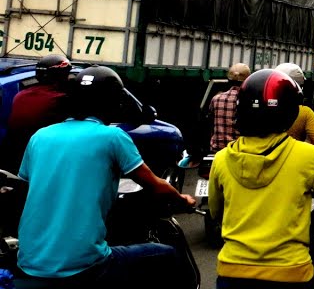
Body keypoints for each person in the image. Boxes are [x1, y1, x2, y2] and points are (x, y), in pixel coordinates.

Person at [16, 66, 194, 287]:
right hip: (84, 266)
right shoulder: (112, 137)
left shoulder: (40, 136)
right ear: (112, 103)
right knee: (167, 255)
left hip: (28, 262)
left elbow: (23, 188)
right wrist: (183, 200)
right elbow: (156, 186)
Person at [209, 69, 314, 288]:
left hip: (231, 274)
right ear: (290, 112)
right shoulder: (308, 156)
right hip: (291, 274)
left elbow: (217, 212)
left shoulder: (221, 159)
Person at [1, 54, 72, 171]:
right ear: (63, 75)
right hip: (41, 162)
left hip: (13, 159)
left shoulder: (20, 95)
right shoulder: (61, 100)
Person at [209, 63, 251, 153]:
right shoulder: (251, 100)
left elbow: (211, 123)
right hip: (241, 151)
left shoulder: (216, 99)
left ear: (229, 80)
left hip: (217, 151)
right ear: (248, 81)